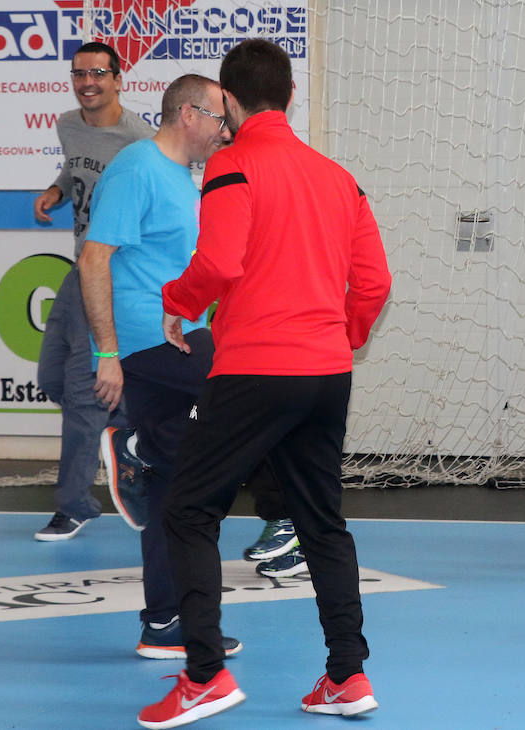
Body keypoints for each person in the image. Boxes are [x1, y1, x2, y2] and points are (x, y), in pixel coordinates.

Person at [141, 39, 391, 728]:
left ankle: (203, 676)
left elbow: (218, 262)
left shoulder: (231, 166)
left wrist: (178, 302)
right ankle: (348, 674)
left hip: (255, 369)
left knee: (188, 512)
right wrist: (343, 337)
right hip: (325, 371)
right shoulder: (338, 177)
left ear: (228, 100)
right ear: (286, 95)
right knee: (321, 522)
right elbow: (375, 282)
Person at [78, 73, 242, 661]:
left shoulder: (184, 178)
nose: (225, 131)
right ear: (189, 115)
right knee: (247, 398)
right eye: (219, 119)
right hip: (151, 342)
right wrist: (106, 353)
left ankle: (166, 622)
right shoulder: (137, 167)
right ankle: (133, 449)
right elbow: (94, 259)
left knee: (180, 487)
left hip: (183, 333)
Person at [32, 41, 153, 541]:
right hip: (79, 266)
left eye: (99, 73)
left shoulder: (140, 140)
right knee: (52, 378)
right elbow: (76, 167)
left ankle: (77, 504)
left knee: (83, 394)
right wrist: (58, 190)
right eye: (80, 73)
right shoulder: (68, 124)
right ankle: (130, 433)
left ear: (118, 79)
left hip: (112, 274)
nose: (88, 83)